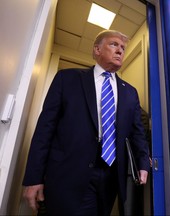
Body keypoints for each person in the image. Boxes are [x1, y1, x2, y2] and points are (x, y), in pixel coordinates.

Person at [22, 30, 150, 215]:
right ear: (97, 50)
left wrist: (143, 163)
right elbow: (45, 129)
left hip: (110, 176)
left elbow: (137, 132)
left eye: (123, 47)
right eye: (114, 44)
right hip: (68, 174)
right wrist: (34, 177)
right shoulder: (67, 79)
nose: (120, 50)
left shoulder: (130, 92)